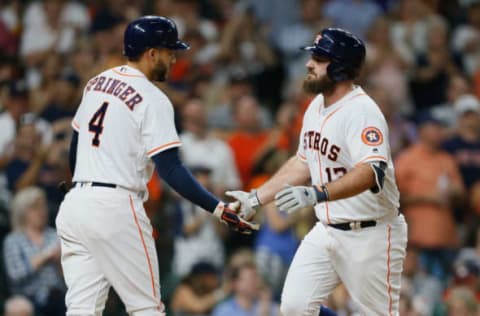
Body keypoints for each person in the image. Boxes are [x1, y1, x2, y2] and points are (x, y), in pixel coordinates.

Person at [55, 16, 258, 316]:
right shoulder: (153, 99)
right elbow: (171, 169)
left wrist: (78, 183)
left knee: (81, 310)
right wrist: (218, 208)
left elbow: (76, 142)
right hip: (115, 207)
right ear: (151, 53)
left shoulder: (95, 83)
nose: (174, 58)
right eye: (169, 51)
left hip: (75, 206)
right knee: (147, 309)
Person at [227, 28, 408, 315]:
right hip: (327, 229)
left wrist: (317, 193)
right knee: (294, 308)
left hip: (370, 232)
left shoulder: (362, 112)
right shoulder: (315, 107)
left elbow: (371, 171)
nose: (309, 63)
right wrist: (255, 198)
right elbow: (302, 162)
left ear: (339, 67)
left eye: (319, 58)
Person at [3, 186, 65, 316]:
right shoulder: (13, 240)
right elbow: (15, 276)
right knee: (18, 308)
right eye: (35, 208)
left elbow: (68, 276)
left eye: (43, 206)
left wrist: (59, 261)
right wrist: (45, 256)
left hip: (59, 296)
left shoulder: (55, 236)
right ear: (22, 212)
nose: (41, 212)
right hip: (28, 297)